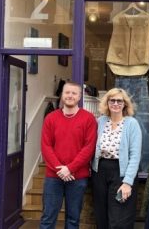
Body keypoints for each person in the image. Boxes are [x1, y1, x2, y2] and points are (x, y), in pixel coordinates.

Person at [40, 81, 98, 229]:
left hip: (78, 177)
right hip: (54, 177)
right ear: (62, 95)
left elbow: (89, 148)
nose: (70, 96)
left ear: (80, 96)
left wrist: (70, 168)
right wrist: (61, 169)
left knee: (73, 219)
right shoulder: (51, 118)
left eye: (74, 93)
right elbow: (46, 146)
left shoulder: (89, 119)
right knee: (48, 218)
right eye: (67, 92)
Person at [91, 87, 142, 228]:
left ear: (125, 104)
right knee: (101, 215)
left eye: (119, 101)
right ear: (107, 103)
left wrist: (127, 182)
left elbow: (135, 155)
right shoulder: (100, 121)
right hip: (99, 171)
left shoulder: (132, 124)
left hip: (121, 173)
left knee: (119, 218)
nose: (115, 103)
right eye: (112, 100)